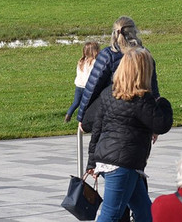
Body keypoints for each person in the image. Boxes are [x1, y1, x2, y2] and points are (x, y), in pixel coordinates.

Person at [86, 47, 173, 222]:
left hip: (111, 161)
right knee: (111, 215)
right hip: (123, 165)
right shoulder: (141, 99)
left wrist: (92, 161)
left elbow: (97, 128)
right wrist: (163, 103)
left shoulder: (109, 93)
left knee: (145, 213)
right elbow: (161, 124)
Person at [77, 17, 159, 124]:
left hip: (112, 110)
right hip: (140, 111)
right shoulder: (144, 55)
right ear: (134, 32)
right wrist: (155, 119)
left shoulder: (107, 55)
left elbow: (92, 87)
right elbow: (152, 87)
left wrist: (82, 116)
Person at [66, 41, 100, 122]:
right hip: (87, 86)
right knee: (87, 103)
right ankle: (85, 118)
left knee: (76, 102)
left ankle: (68, 115)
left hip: (79, 85)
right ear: (95, 51)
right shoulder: (94, 62)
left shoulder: (81, 61)